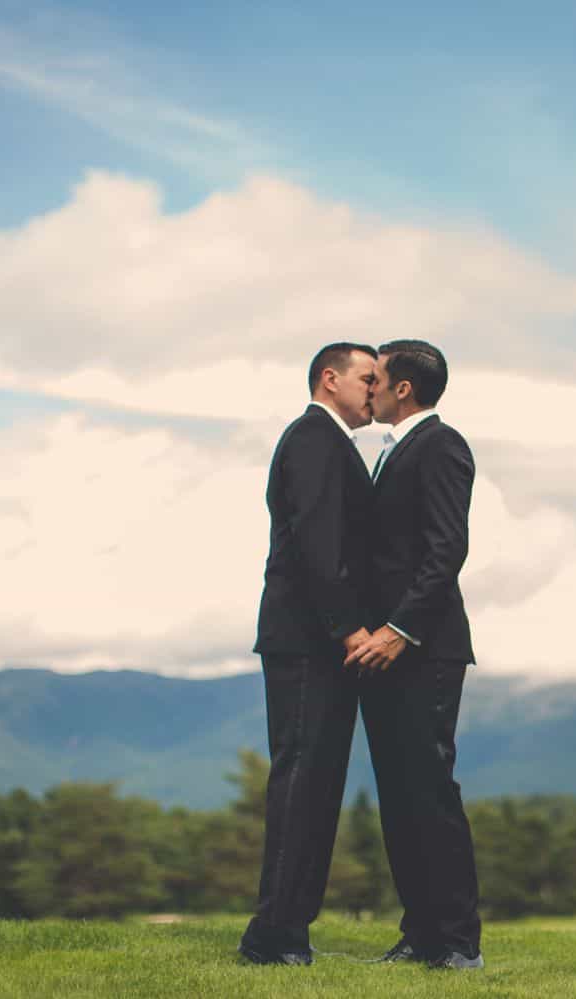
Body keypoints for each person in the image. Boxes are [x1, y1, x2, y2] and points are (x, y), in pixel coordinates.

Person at [345, 339, 483, 970]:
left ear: (402, 389)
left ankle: (457, 942)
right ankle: (421, 934)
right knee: (400, 797)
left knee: (429, 792)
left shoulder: (442, 445)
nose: (367, 388)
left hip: (422, 651)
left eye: (376, 379)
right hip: (384, 653)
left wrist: (400, 629)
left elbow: (445, 549)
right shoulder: (389, 451)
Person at [239, 343, 378, 966]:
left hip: (316, 640)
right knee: (302, 784)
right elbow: (319, 546)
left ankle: (288, 929)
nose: (377, 389)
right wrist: (348, 629)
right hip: (308, 641)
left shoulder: (328, 442)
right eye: (367, 377)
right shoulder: (314, 439)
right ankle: (273, 937)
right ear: (330, 379)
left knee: (318, 786)